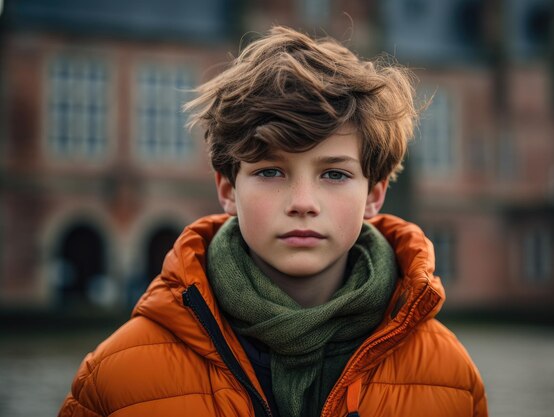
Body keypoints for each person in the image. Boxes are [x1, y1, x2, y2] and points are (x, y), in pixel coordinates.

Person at [58, 26, 488, 417]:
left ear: (374, 195)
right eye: (270, 171)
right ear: (227, 189)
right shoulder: (116, 378)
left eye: (334, 174)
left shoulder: (451, 377)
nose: (303, 203)